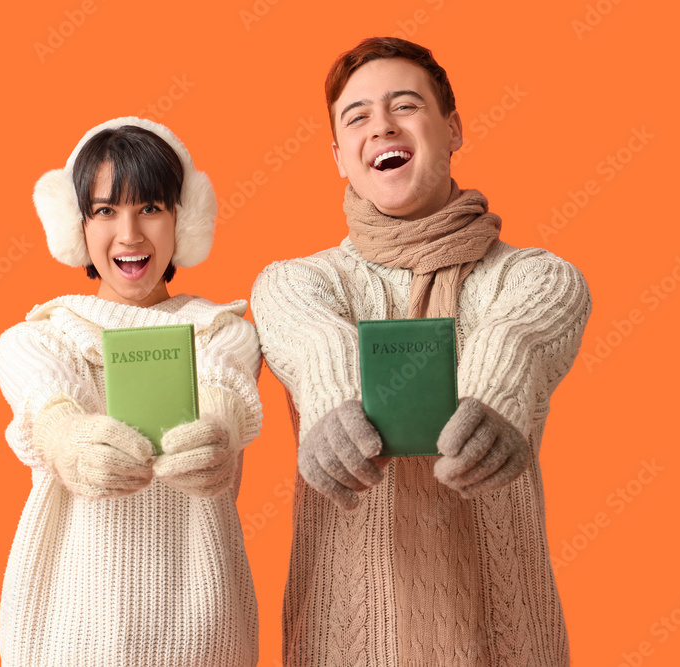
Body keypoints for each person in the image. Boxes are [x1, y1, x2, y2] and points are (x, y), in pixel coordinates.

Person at [251, 37, 591, 666]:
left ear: (452, 128)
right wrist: (331, 405)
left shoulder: (536, 277)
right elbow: (312, 342)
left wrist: (493, 400)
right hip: (344, 637)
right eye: (357, 117)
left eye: (404, 106)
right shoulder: (296, 282)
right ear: (339, 157)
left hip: (505, 635)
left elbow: (517, 336)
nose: (380, 125)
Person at [0, 117, 262, 666]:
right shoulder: (36, 338)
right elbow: (48, 405)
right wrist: (69, 440)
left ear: (184, 223)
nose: (131, 234)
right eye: (105, 210)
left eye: (151, 208)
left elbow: (224, 388)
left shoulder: (223, 330)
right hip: (67, 640)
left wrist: (213, 428)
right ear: (77, 227)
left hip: (203, 635)